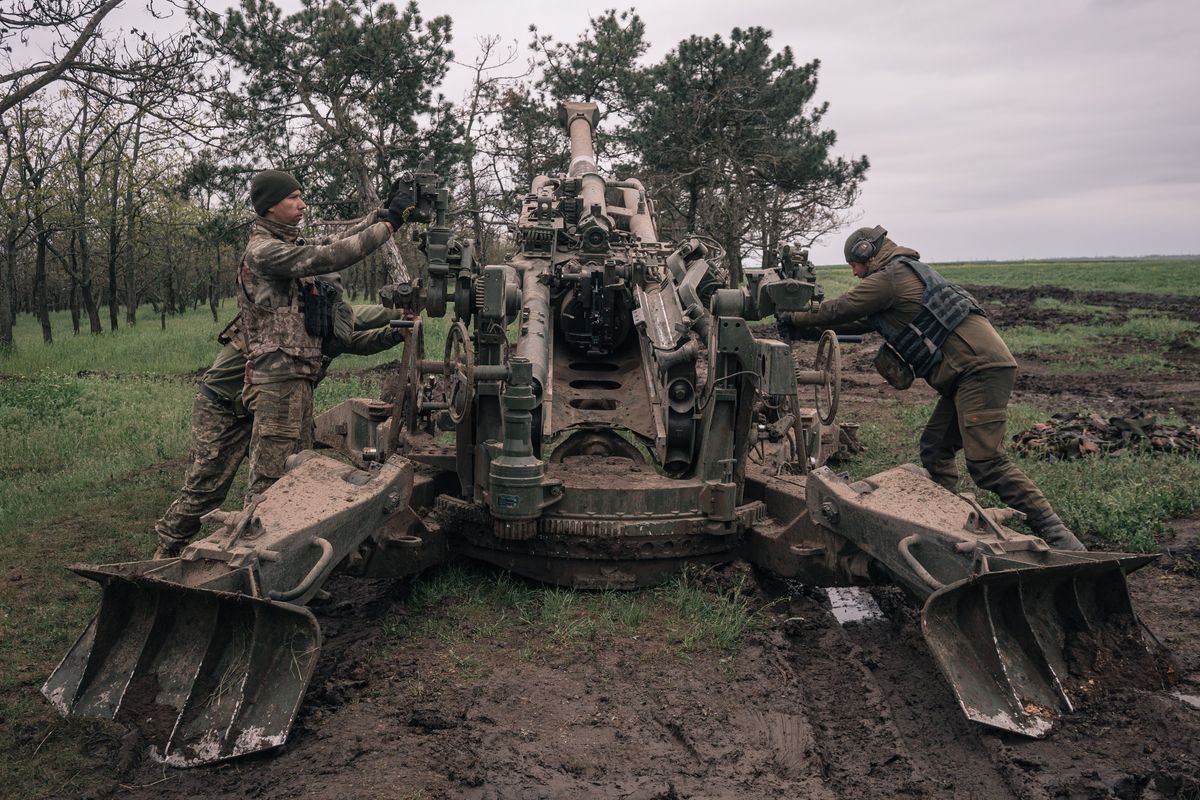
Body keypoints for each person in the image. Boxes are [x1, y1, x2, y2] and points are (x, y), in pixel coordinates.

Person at [784, 225, 1086, 551]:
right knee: (935, 448)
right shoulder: (899, 278)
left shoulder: (892, 277)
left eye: (854, 265)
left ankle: (1059, 536)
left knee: (987, 464)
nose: (855, 273)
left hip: (979, 372)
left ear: (866, 252)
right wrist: (803, 330)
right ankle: (946, 525)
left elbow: (841, 308)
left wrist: (792, 314)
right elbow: (855, 322)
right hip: (968, 375)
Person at [152, 297, 408, 558]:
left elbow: (355, 340)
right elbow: (355, 316)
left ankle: (271, 552)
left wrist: (395, 333)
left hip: (273, 410)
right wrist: (399, 310)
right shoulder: (285, 317)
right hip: (223, 409)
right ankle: (167, 547)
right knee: (206, 489)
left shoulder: (317, 328)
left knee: (283, 484)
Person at [238, 169, 417, 499]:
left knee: (298, 475)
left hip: (297, 379)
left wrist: (380, 214)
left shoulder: (286, 245)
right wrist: (390, 224)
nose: (302, 204)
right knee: (270, 481)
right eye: (293, 198)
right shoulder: (264, 251)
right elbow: (326, 256)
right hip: (278, 382)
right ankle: (254, 528)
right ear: (270, 206)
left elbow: (329, 243)